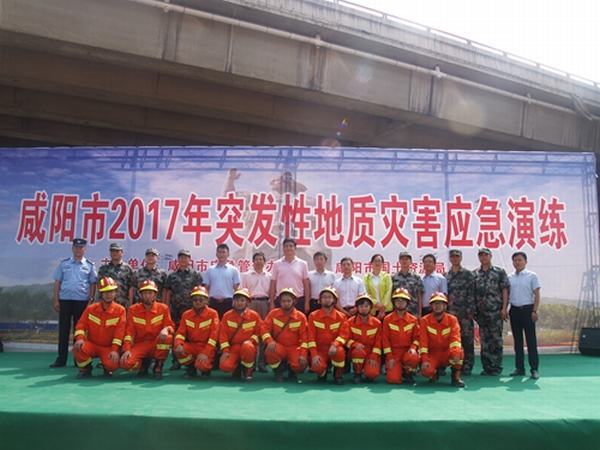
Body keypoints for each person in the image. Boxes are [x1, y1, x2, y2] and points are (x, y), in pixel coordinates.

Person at [50, 238, 98, 368]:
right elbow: (57, 282)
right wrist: (56, 300)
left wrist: (91, 300)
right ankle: (61, 359)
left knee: (79, 331)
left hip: (81, 302)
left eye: (81, 248)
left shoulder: (89, 265)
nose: (78, 250)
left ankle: (79, 359)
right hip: (65, 301)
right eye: (76, 247)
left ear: (85, 249)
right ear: (72, 248)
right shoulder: (64, 264)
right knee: (63, 331)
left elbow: (93, 284)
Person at [120, 280, 175, 380]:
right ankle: (143, 364)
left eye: (150, 293)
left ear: (155, 295)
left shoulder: (163, 308)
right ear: (141, 295)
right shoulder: (133, 309)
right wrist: (127, 349)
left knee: (168, 338)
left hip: (156, 343)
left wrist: (166, 329)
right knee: (126, 363)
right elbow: (129, 332)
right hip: (140, 344)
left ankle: (158, 365)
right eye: (144, 293)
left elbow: (170, 326)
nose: (147, 296)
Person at [72, 277, 126, 378]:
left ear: (115, 293)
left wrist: (114, 350)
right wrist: (80, 339)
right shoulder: (91, 309)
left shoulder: (120, 310)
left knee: (112, 365)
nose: (108, 295)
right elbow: (80, 325)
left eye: (111, 291)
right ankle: (86, 368)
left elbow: (119, 334)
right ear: (101, 293)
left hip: (108, 348)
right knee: (78, 347)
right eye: (105, 292)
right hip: (92, 345)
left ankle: (107, 367)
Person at [473, 248, 509, 376]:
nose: (483, 257)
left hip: (495, 312)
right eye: (481, 255)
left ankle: (496, 367)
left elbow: (505, 290)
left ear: (490, 256)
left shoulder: (499, 272)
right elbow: (473, 293)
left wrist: (504, 308)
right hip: (481, 313)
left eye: (486, 255)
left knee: (496, 340)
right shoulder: (475, 274)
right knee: (485, 341)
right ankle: (487, 366)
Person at [164, 249, 203, 370]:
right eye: (181, 258)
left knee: (191, 335)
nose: (183, 260)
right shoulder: (172, 276)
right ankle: (176, 360)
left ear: (189, 260)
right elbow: (167, 293)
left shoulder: (195, 275)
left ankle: (190, 361)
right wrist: (166, 307)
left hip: (191, 311)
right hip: (176, 310)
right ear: (178, 260)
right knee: (176, 334)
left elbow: (200, 293)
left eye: (185, 258)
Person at [506, 252, 541, 380]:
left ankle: (534, 369)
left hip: (528, 310)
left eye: (520, 260)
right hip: (514, 310)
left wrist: (534, 310)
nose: (517, 262)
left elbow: (537, 294)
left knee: (531, 341)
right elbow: (506, 295)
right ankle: (519, 368)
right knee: (518, 341)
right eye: (515, 260)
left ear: (525, 262)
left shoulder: (532, 276)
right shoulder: (509, 277)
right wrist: (505, 309)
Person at [262, 288, 309, 382]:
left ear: (294, 301)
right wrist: (270, 341)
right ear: (280, 302)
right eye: (283, 301)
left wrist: (303, 354)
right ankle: (278, 371)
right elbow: (264, 329)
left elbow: (305, 338)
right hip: (278, 346)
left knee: (301, 364)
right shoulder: (273, 314)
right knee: (270, 351)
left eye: (288, 301)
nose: (286, 303)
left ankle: (292, 371)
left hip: (294, 348)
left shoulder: (301, 317)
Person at [419, 292, 465, 388]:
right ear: (431, 306)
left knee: (459, 352)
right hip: (432, 354)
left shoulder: (452, 320)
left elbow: (455, 338)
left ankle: (456, 377)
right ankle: (434, 373)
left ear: (445, 306)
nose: (437, 306)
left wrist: (456, 352)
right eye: (435, 304)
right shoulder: (424, 320)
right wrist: (424, 359)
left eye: (440, 304)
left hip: (447, 353)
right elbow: (423, 342)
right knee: (426, 371)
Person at [173, 285, 220, 378]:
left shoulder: (213, 314)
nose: (198, 302)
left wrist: (206, 352)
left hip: (206, 346)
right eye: (195, 300)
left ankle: (205, 369)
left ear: (206, 301)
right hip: (192, 346)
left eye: (201, 300)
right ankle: (190, 366)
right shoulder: (186, 315)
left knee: (202, 365)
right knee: (178, 351)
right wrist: (178, 344)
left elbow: (214, 337)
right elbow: (180, 333)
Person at [218, 288, 263, 382]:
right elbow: (223, 335)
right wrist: (225, 351)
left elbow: (259, 332)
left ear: (247, 303)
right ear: (233, 302)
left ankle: (248, 370)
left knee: (247, 346)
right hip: (233, 348)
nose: (239, 303)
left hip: (249, 348)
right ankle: (237, 368)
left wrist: (251, 341)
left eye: (242, 300)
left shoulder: (254, 316)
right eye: (237, 300)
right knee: (225, 366)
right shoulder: (227, 316)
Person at [444, 249, 476, 376]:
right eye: (452, 257)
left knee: (467, 340)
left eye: (457, 256)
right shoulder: (446, 275)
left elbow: (472, 293)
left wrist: (471, 310)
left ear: (461, 258)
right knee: (452, 340)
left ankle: (467, 366)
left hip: (465, 313)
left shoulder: (468, 274)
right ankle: (455, 365)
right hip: (451, 313)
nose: (455, 259)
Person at [337, 294, 382, 384]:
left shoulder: (377, 323)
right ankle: (357, 373)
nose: (363, 308)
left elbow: (378, 342)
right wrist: (355, 344)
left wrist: (374, 356)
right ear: (357, 308)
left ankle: (367, 370)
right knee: (358, 352)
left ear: (370, 308)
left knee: (372, 374)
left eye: (366, 306)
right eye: (361, 306)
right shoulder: (350, 322)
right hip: (356, 351)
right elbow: (345, 339)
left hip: (371, 353)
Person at [307, 287, 346, 384]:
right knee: (317, 365)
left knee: (340, 352)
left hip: (334, 348)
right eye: (324, 297)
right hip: (320, 350)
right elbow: (310, 337)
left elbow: (344, 335)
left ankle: (338, 374)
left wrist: (335, 345)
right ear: (320, 300)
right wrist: (314, 355)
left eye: (329, 297)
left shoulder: (341, 317)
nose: (327, 299)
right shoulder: (313, 316)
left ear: (334, 300)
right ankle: (322, 373)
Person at [240, 251, 271, 372]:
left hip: (264, 303)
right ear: (252, 262)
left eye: (261, 259)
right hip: (250, 303)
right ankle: (250, 362)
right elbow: (242, 291)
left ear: (264, 262)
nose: (259, 261)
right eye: (256, 259)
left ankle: (262, 363)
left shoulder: (269, 276)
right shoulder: (246, 275)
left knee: (263, 331)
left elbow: (272, 292)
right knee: (249, 332)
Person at [382, 288, 420, 385]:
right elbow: (385, 340)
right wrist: (389, 357)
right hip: (394, 353)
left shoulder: (413, 320)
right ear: (394, 302)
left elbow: (417, 337)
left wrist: (413, 348)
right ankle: (399, 370)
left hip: (408, 351)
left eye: (403, 300)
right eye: (397, 300)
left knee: (413, 357)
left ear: (407, 303)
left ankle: (408, 372)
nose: (400, 303)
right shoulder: (387, 319)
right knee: (393, 379)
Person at [269, 238, 310, 314]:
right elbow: (273, 283)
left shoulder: (303, 264)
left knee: (297, 320)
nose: (288, 248)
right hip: (281, 300)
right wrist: (271, 302)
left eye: (291, 246)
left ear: (295, 248)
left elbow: (306, 284)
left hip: (298, 299)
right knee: (280, 320)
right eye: (286, 246)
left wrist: (307, 302)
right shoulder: (276, 264)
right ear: (283, 248)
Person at [204, 243, 241, 318]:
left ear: (228, 254)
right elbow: (206, 288)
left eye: (223, 252)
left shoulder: (233, 270)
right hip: (213, 302)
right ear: (216, 254)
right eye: (219, 252)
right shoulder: (210, 270)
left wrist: (237, 302)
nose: (221, 254)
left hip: (228, 302)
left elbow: (236, 288)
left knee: (228, 323)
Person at [97, 243, 134, 307]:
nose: (114, 253)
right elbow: (99, 287)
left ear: (122, 253)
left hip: (123, 303)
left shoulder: (127, 268)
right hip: (106, 304)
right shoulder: (103, 269)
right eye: (112, 251)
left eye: (117, 251)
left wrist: (130, 304)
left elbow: (131, 288)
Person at [391, 252, 424, 316]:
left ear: (410, 262)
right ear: (399, 261)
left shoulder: (416, 277)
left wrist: (420, 314)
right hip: (398, 311)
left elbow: (419, 296)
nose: (404, 261)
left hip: (413, 311)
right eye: (402, 259)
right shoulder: (394, 278)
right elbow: (391, 295)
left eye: (406, 259)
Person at [363, 254, 393, 319]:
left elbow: (388, 292)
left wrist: (382, 308)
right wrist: (376, 303)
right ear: (371, 263)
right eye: (375, 261)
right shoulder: (366, 277)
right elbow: (366, 293)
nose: (377, 263)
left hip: (386, 309)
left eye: (379, 261)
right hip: (373, 309)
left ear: (382, 263)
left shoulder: (387, 276)